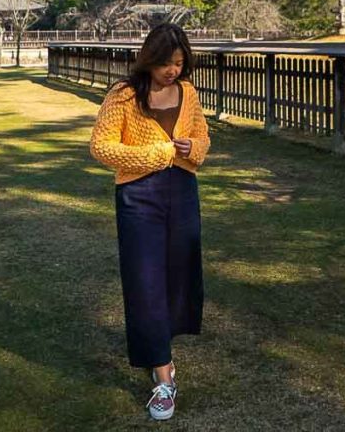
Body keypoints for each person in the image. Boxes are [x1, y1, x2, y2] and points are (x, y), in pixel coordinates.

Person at [89, 23, 211, 421]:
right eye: (165, 63)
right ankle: (162, 373)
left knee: (179, 275)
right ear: (149, 59)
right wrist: (157, 153)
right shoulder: (124, 94)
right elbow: (101, 146)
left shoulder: (188, 93)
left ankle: (161, 341)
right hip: (139, 196)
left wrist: (194, 147)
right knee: (144, 281)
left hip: (183, 192)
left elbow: (202, 137)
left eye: (179, 63)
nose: (172, 71)